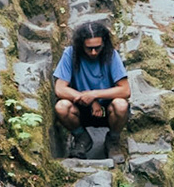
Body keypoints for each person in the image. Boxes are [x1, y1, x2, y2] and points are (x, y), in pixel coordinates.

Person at [53, 20, 129, 158]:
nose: (93, 52)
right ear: (81, 45)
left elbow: (125, 90)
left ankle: (113, 140)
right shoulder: (70, 54)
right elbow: (60, 89)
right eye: (89, 48)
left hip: (107, 110)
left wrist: (95, 95)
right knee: (61, 107)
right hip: (81, 109)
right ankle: (81, 138)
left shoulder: (111, 55)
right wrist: (89, 100)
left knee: (121, 105)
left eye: (97, 48)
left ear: (103, 44)